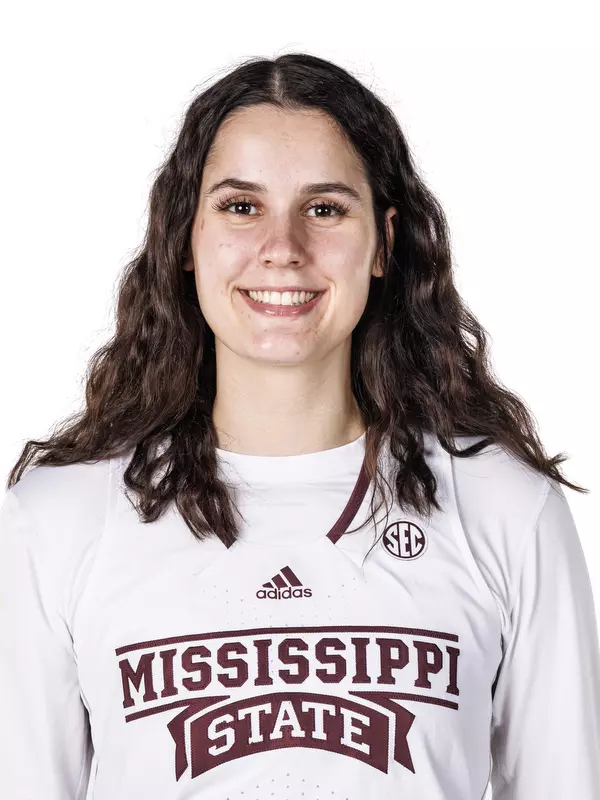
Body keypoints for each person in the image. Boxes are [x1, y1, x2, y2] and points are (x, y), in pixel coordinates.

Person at [0, 52, 598, 800]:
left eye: (324, 208)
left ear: (383, 241)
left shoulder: (507, 510)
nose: (282, 249)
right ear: (186, 236)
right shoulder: (59, 520)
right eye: (241, 207)